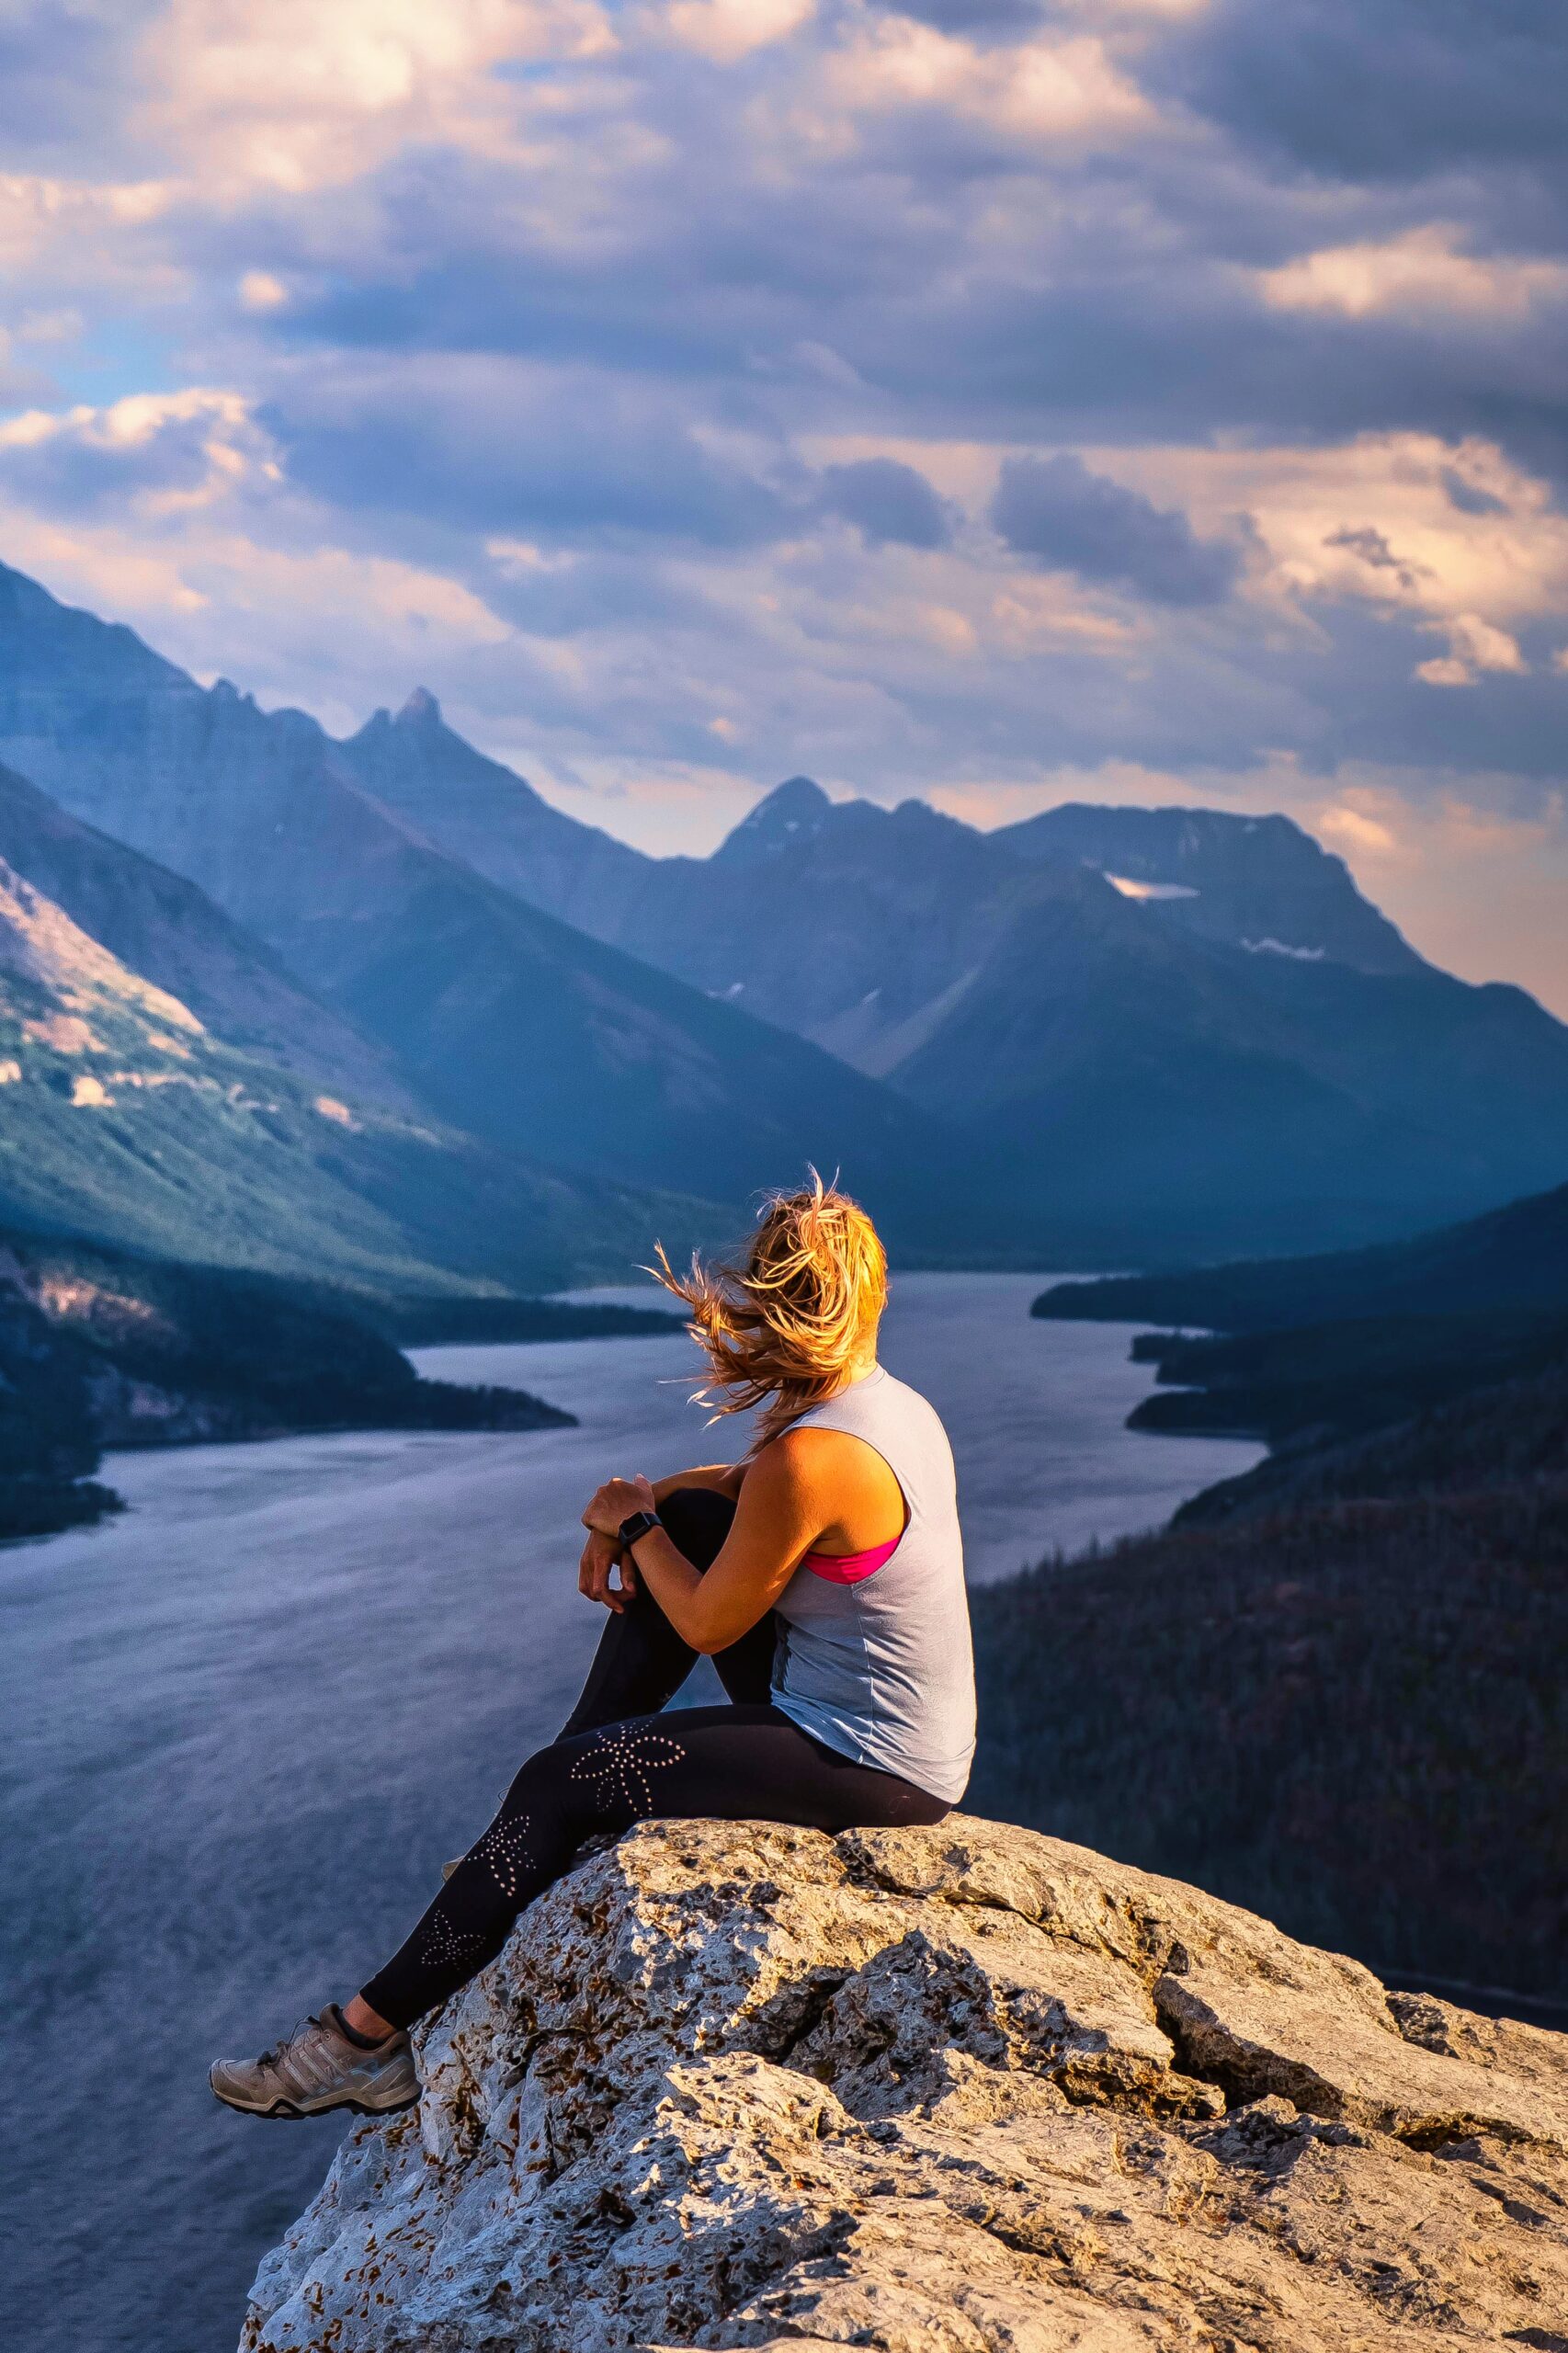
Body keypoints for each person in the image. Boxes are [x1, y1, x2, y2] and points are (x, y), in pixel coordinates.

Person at [210, 1178, 976, 2120]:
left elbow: (705, 1626)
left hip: (869, 1761)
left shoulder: (808, 1457)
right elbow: (730, 1492)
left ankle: (357, 2044)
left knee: (557, 1779)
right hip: (879, 1727)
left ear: (763, 1300)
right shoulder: (885, 1408)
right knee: (690, 1519)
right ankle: (526, 1842)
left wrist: (633, 1522)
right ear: (874, 1295)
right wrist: (637, 1509)